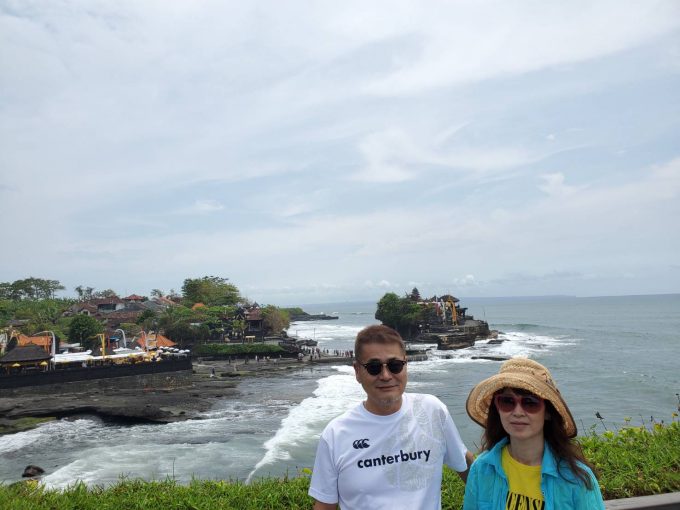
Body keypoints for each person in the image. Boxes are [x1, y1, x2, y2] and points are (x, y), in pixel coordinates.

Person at [309, 325, 474, 509]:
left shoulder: (432, 411)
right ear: (357, 371)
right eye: (374, 367)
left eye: (395, 366)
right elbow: (325, 505)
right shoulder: (336, 434)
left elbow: (466, 466)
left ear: (405, 365)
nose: (386, 376)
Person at [463, 358, 605, 510]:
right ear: (497, 408)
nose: (517, 412)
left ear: (548, 412)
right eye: (507, 401)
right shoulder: (482, 469)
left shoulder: (576, 479)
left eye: (530, 402)